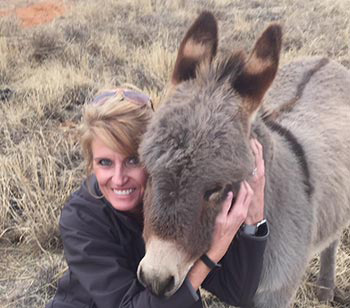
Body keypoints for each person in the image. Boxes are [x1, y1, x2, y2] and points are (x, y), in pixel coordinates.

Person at [46, 86, 268, 308]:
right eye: (105, 162)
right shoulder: (81, 219)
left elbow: (238, 291)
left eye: (133, 160)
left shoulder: (181, 203)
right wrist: (209, 258)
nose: (118, 178)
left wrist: (254, 216)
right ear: (91, 163)